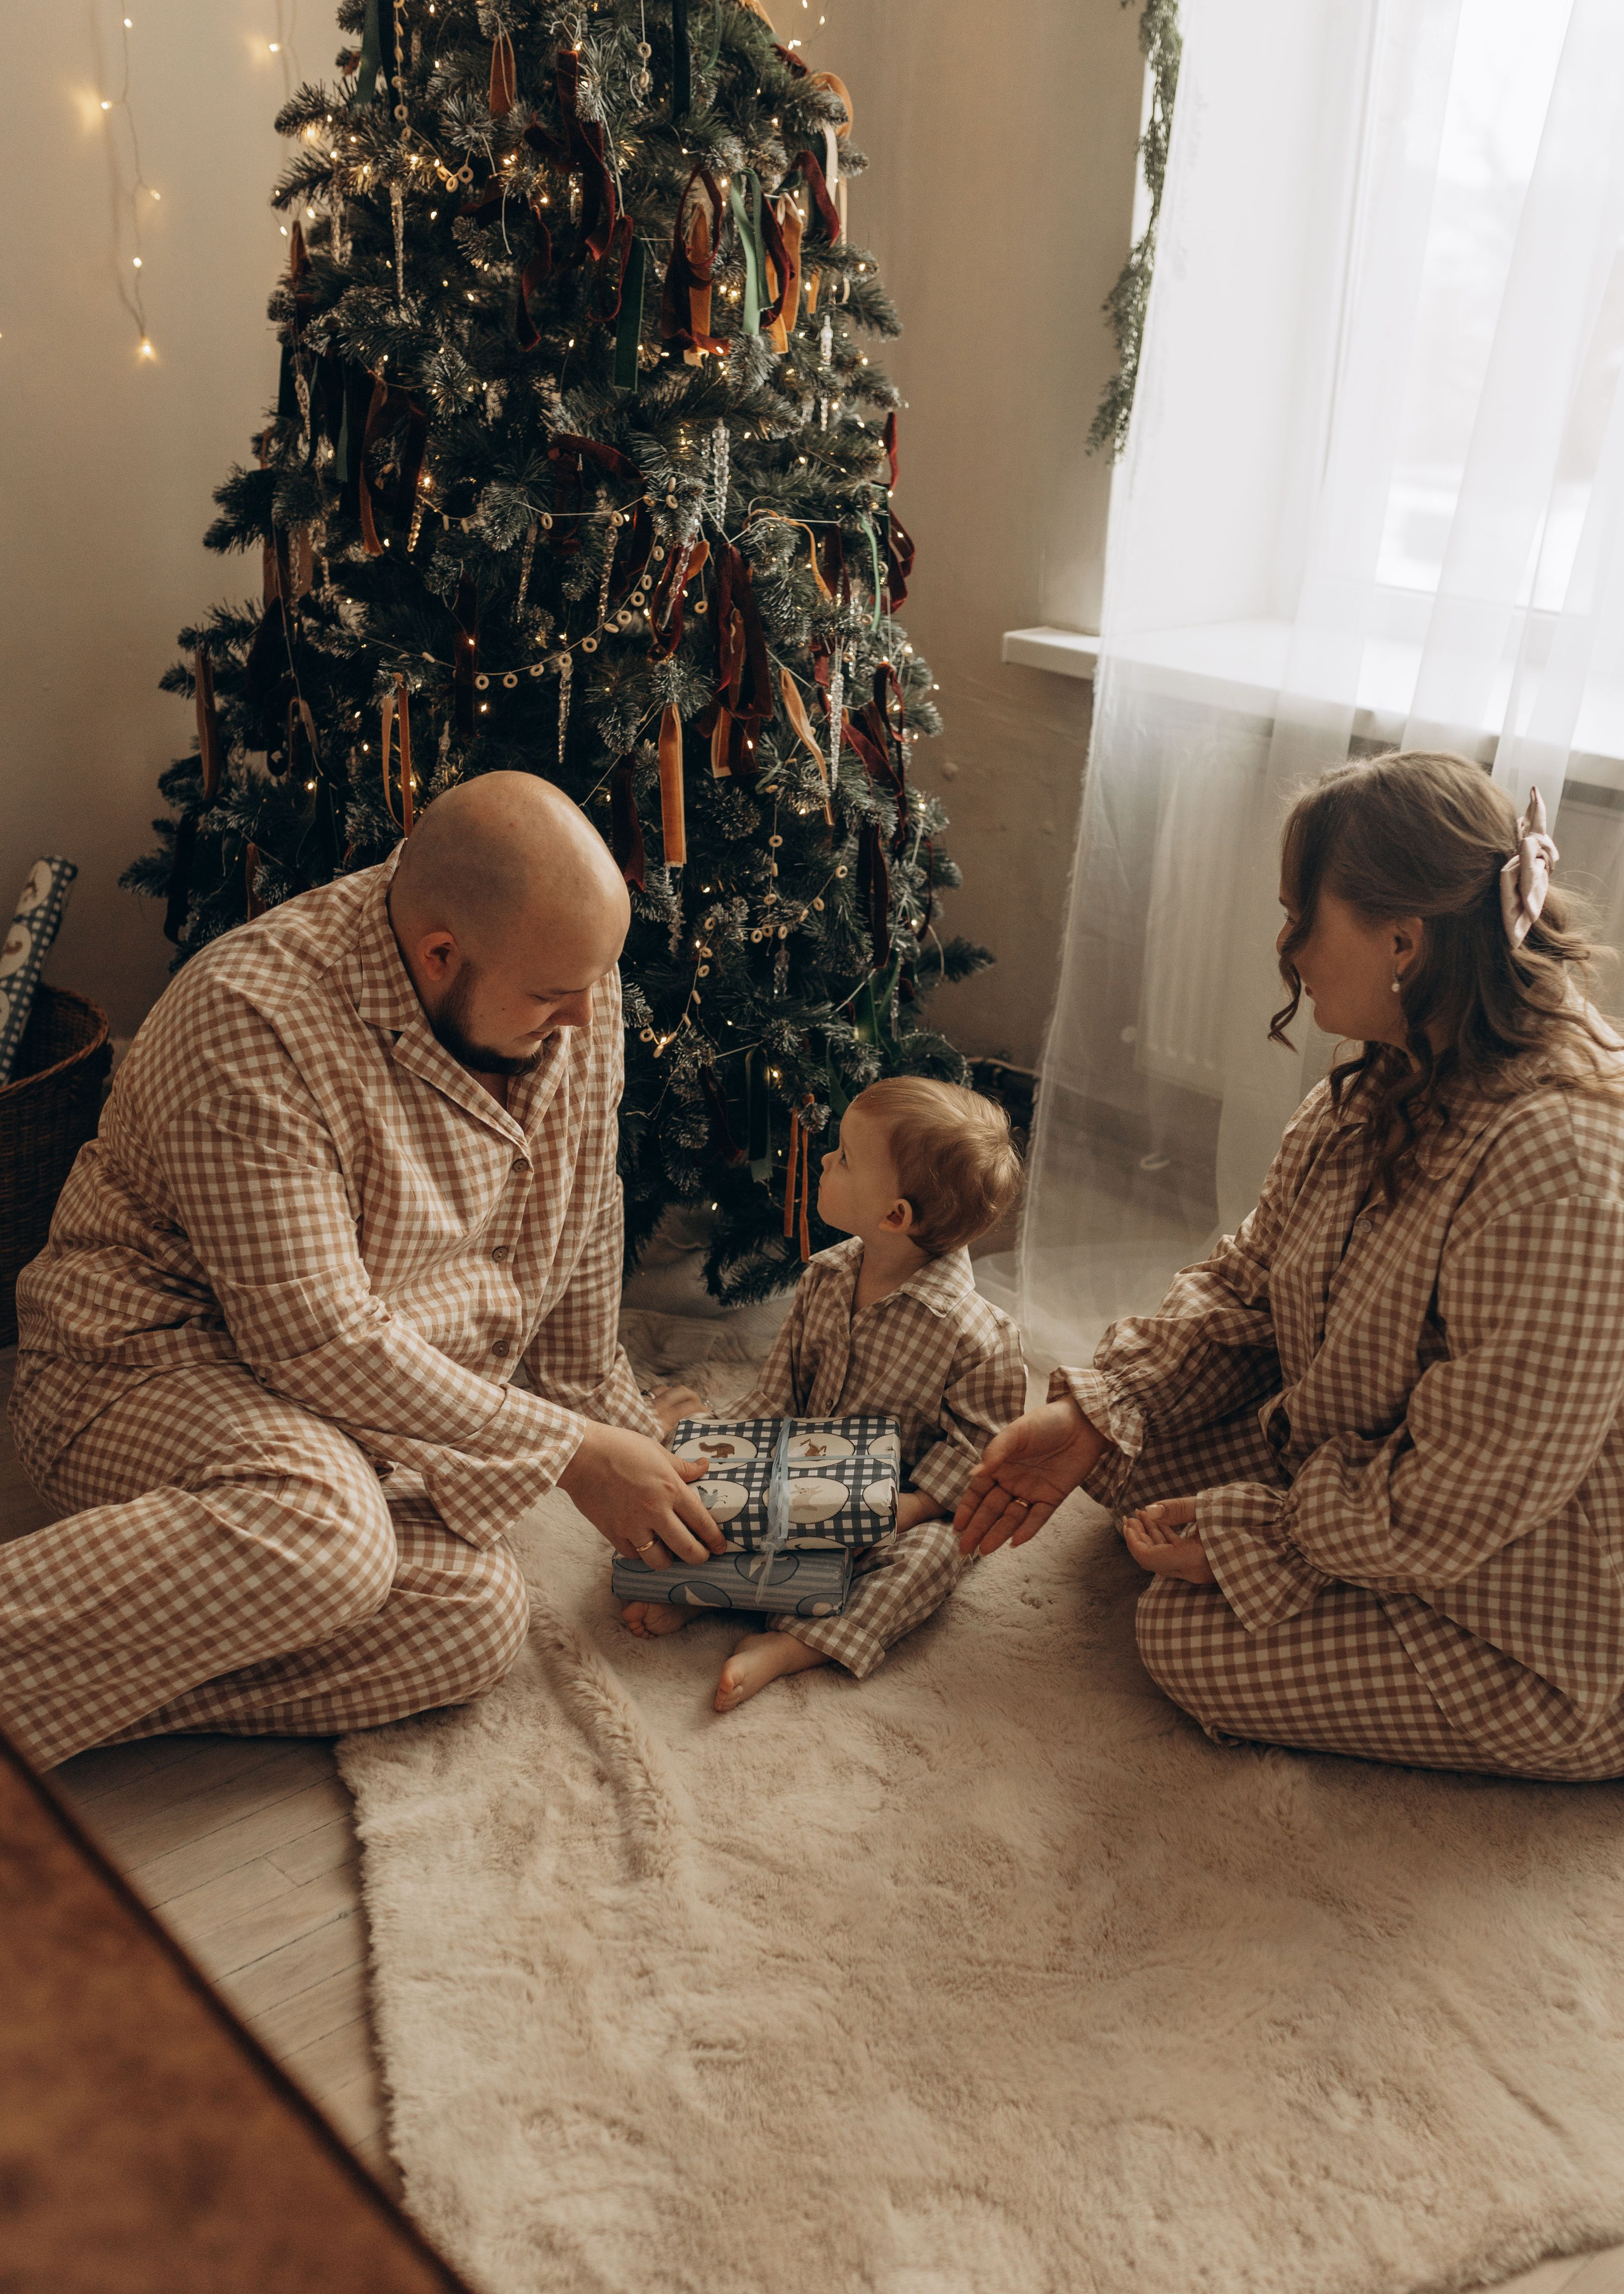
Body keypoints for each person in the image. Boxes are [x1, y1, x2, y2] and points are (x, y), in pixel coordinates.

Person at [2, 773, 723, 1770]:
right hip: (135, 1369)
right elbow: (316, 1338)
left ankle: (79, 1689)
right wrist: (573, 1451)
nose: (592, 1024)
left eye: (598, 984)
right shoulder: (250, 1019)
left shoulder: (561, 996)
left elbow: (581, 1225)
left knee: (474, 1621)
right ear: (440, 956)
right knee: (328, 1532)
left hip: (343, 1419)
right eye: (559, 998)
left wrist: (639, 1456)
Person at [957, 752, 1624, 1781]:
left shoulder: (1559, 1163)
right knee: (1113, 1452)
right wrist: (1098, 1408)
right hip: (1385, 1455)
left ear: (1403, 939)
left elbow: (1470, 1492)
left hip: (1537, 1595)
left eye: (1300, 918)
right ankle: (1285, 1524)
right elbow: (1250, 1286)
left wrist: (1264, 1537)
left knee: (1187, 1640)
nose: (1287, 949)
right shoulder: (1393, 1073)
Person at [622, 1077, 1028, 1711]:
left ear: (895, 1216)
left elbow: (980, 1455)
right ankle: (704, 1590)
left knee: (935, 1559)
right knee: (720, 1500)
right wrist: (720, 1454)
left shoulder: (981, 1337)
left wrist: (906, 1509)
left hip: (900, 1506)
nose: (823, 1160)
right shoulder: (828, 1276)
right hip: (803, 1471)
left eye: (843, 1158)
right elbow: (775, 1394)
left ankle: (797, 1646)